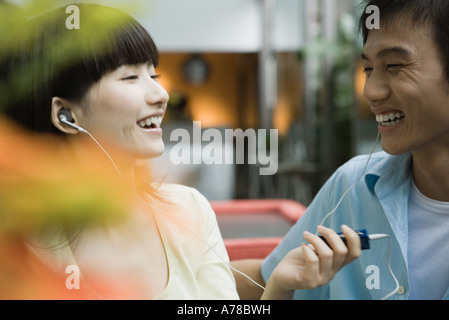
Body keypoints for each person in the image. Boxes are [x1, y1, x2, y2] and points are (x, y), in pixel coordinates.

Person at [1, 3, 361, 300]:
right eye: (130, 77)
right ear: (65, 115)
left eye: (153, 75)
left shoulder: (189, 210)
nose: (161, 95)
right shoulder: (18, 245)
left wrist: (280, 285)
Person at [249, 0, 449, 300]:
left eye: (394, 65)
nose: (371, 91)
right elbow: (267, 280)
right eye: (368, 68)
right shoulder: (354, 185)